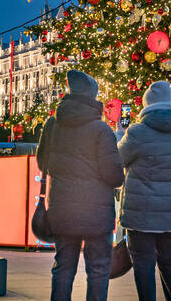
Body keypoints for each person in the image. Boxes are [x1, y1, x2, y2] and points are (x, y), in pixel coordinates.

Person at [37, 70, 124, 301]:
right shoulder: (101, 130)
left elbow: (42, 162)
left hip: (63, 211)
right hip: (96, 214)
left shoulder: (53, 125)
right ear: (92, 97)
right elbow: (115, 176)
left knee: (63, 268)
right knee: (98, 270)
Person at [118, 81, 171, 301]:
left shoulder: (137, 132)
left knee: (143, 265)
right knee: (170, 262)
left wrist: (120, 133)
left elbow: (117, 159)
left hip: (142, 213)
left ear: (147, 104)